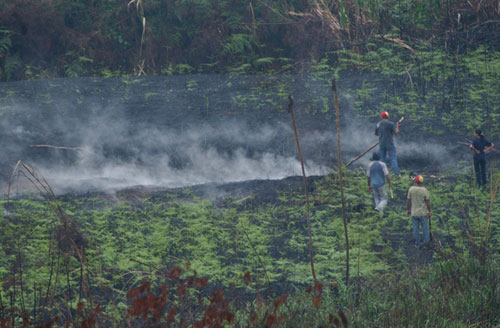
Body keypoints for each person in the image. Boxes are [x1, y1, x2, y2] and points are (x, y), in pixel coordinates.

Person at [406, 175, 431, 247]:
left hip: (414, 213)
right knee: (425, 228)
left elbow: (408, 201)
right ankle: (426, 244)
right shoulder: (424, 190)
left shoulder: (411, 189)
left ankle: (417, 243)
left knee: (415, 229)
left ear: (415, 181)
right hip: (423, 213)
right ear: (422, 182)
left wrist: (408, 210)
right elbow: (428, 202)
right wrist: (429, 211)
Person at [375, 111, 400, 176]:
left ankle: (382, 173)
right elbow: (396, 133)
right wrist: (397, 126)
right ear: (387, 116)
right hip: (390, 144)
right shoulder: (391, 124)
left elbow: (375, 133)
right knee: (393, 159)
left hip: (381, 144)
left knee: (382, 159)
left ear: (381, 117)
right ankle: (396, 174)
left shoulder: (378, 124)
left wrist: (381, 134)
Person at [367, 152, 392, 216]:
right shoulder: (383, 164)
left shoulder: (370, 165)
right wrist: (389, 183)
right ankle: (378, 208)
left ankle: (380, 214)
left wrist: (369, 185)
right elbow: (387, 175)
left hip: (373, 185)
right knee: (384, 199)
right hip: (381, 184)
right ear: (379, 157)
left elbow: (368, 176)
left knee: (376, 199)